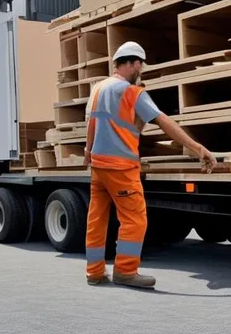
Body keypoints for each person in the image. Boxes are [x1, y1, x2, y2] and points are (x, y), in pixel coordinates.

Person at [84, 41, 217, 289]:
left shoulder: (98, 89)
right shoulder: (132, 92)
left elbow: (91, 123)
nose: (141, 71)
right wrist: (197, 147)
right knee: (135, 219)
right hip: (120, 167)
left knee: (97, 219)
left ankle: (94, 272)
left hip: (98, 165)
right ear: (133, 63)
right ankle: (125, 271)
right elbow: (163, 121)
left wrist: (88, 151)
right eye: (140, 66)